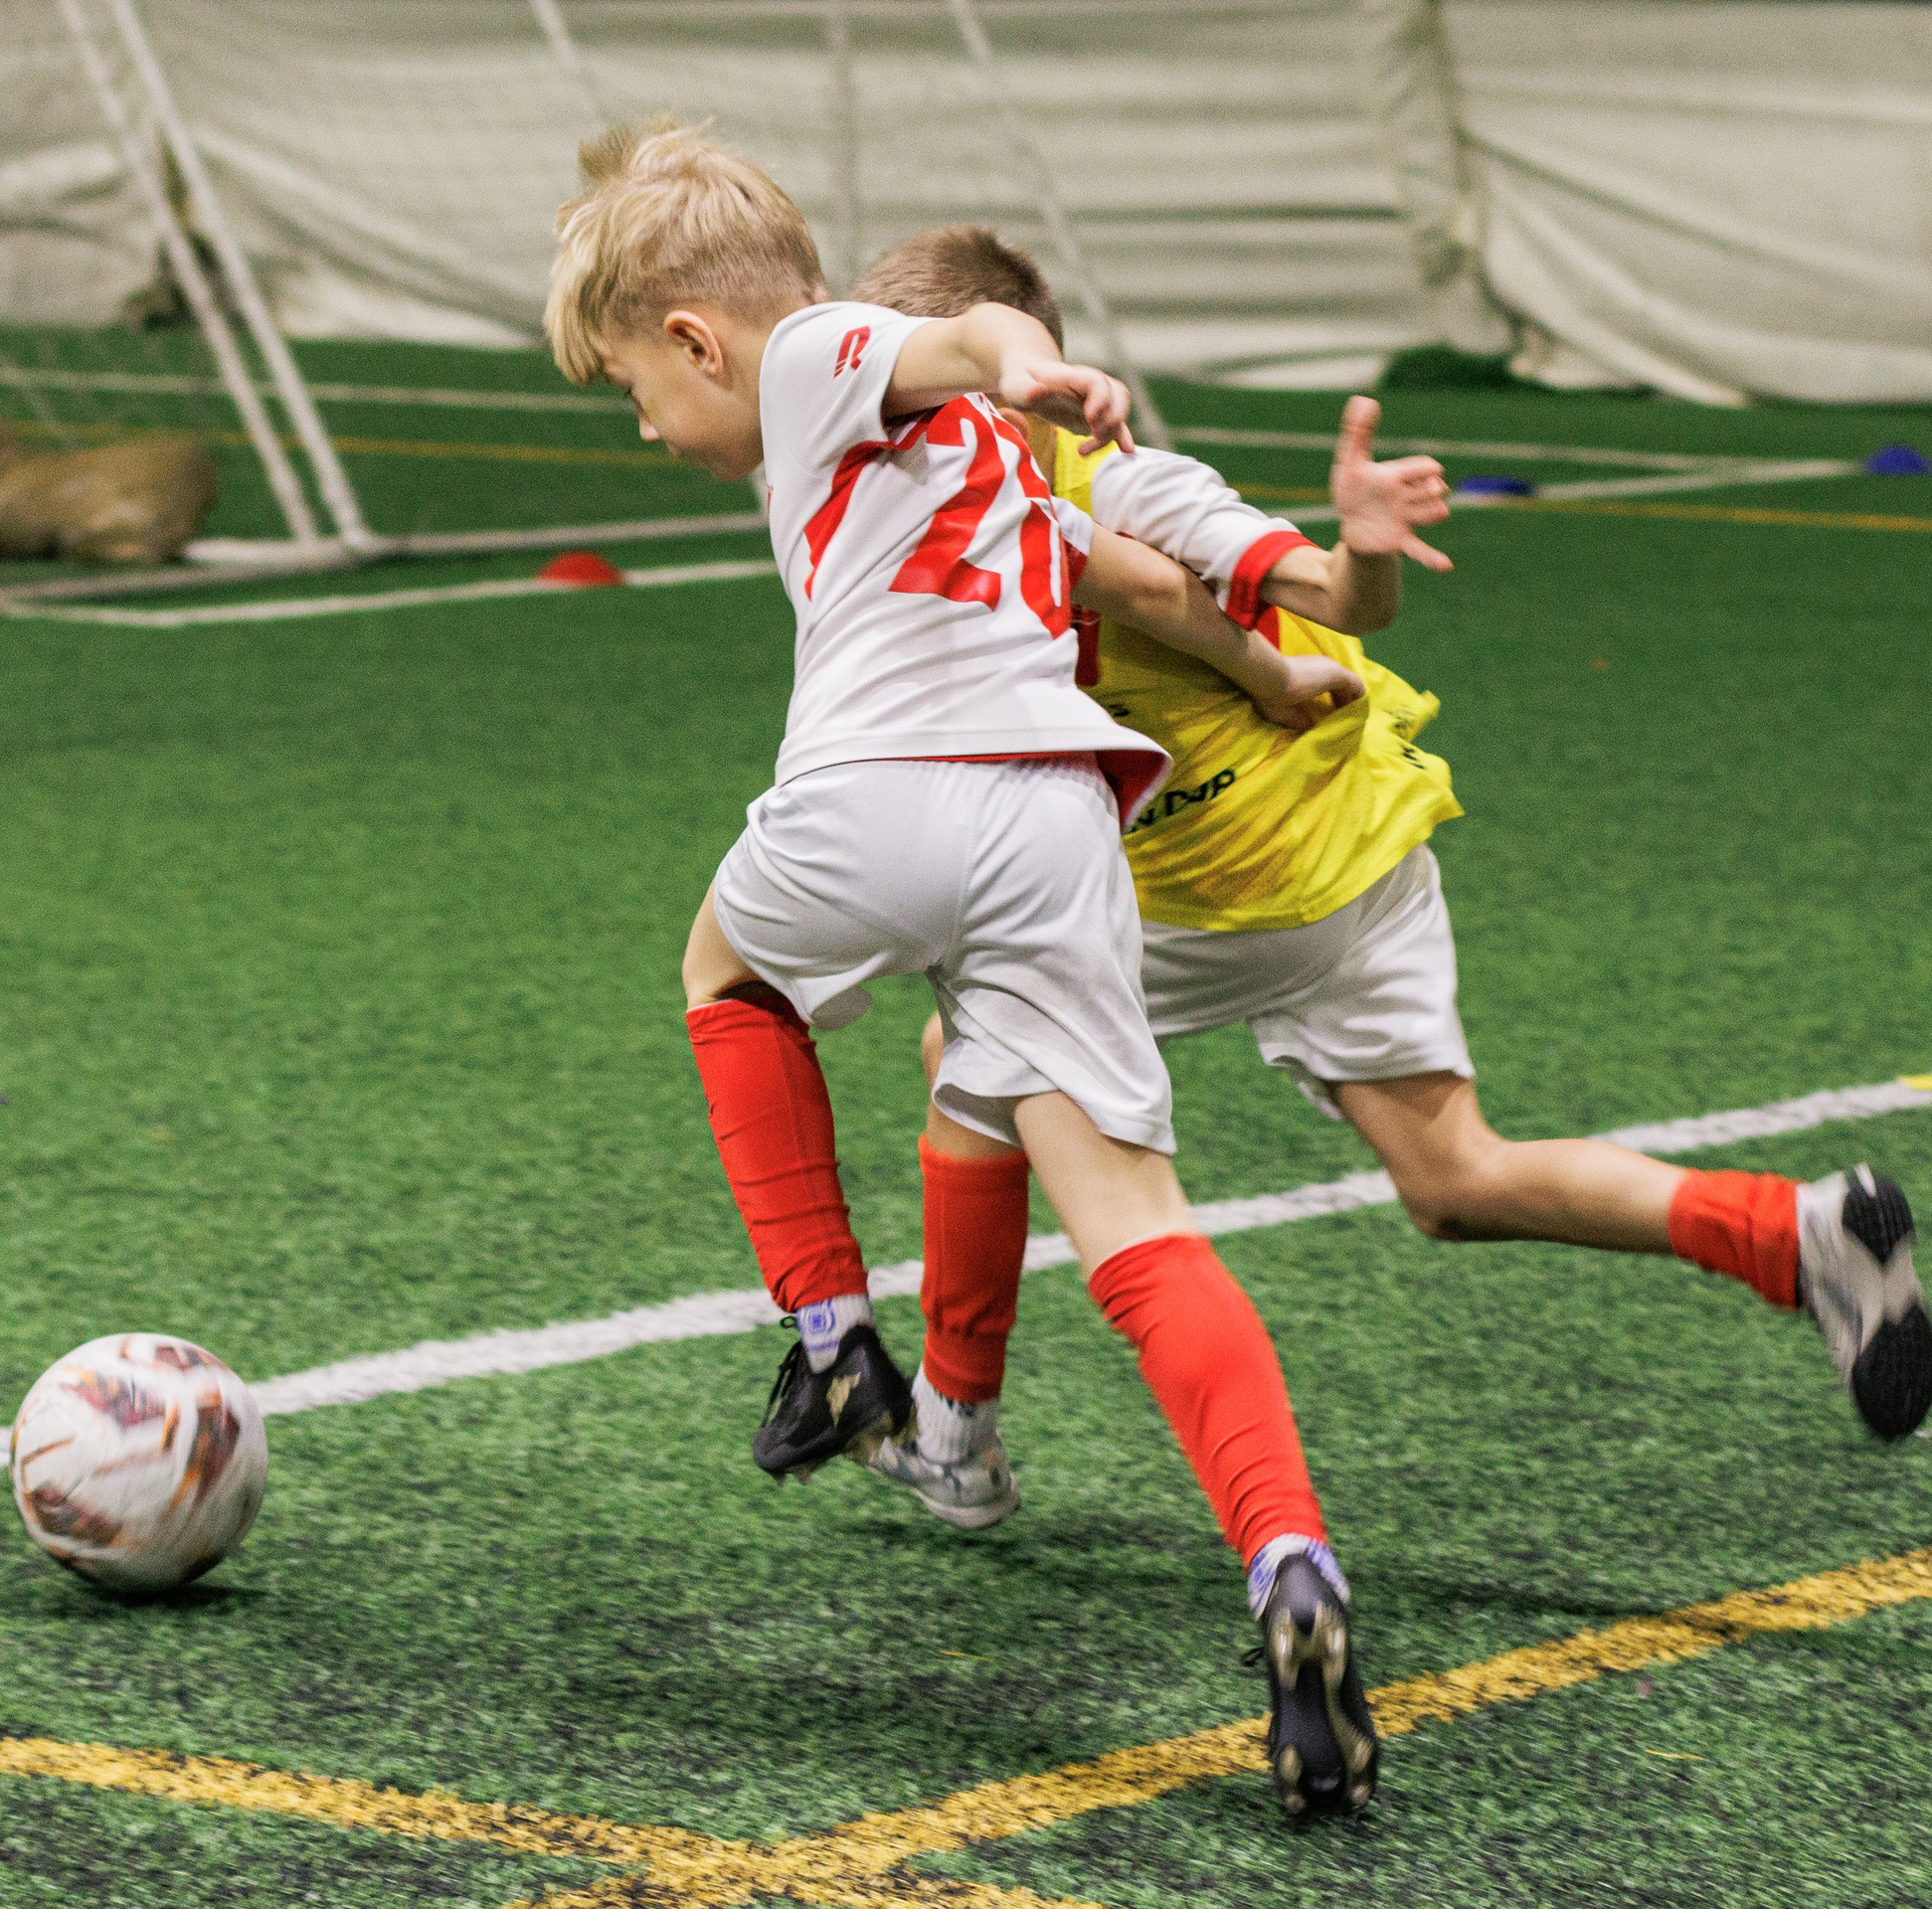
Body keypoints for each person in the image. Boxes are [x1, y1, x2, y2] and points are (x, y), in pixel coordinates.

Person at [839, 227, 1932, 1547]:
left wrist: (1355, 553)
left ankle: (953, 1434)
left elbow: (1318, 592)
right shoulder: (1030, 497)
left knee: (969, 1048)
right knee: (1453, 1177)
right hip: (1360, 847)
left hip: (1224, 892)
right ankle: (1801, 1234)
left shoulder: (1117, 494)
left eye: (911, 379)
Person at [547, 126, 1376, 1817]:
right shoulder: (982, 462)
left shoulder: (808, 360)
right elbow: (1118, 559)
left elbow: (954, 343)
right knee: (1138, 1224)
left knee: (724, 974)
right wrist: (1264, 653)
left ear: (702, 339)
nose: (647, 421)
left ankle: (834, 1331)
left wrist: (1032, 355)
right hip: (1060, 824)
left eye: (636, 384)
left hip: (885, 791)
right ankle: (1291, 1563)